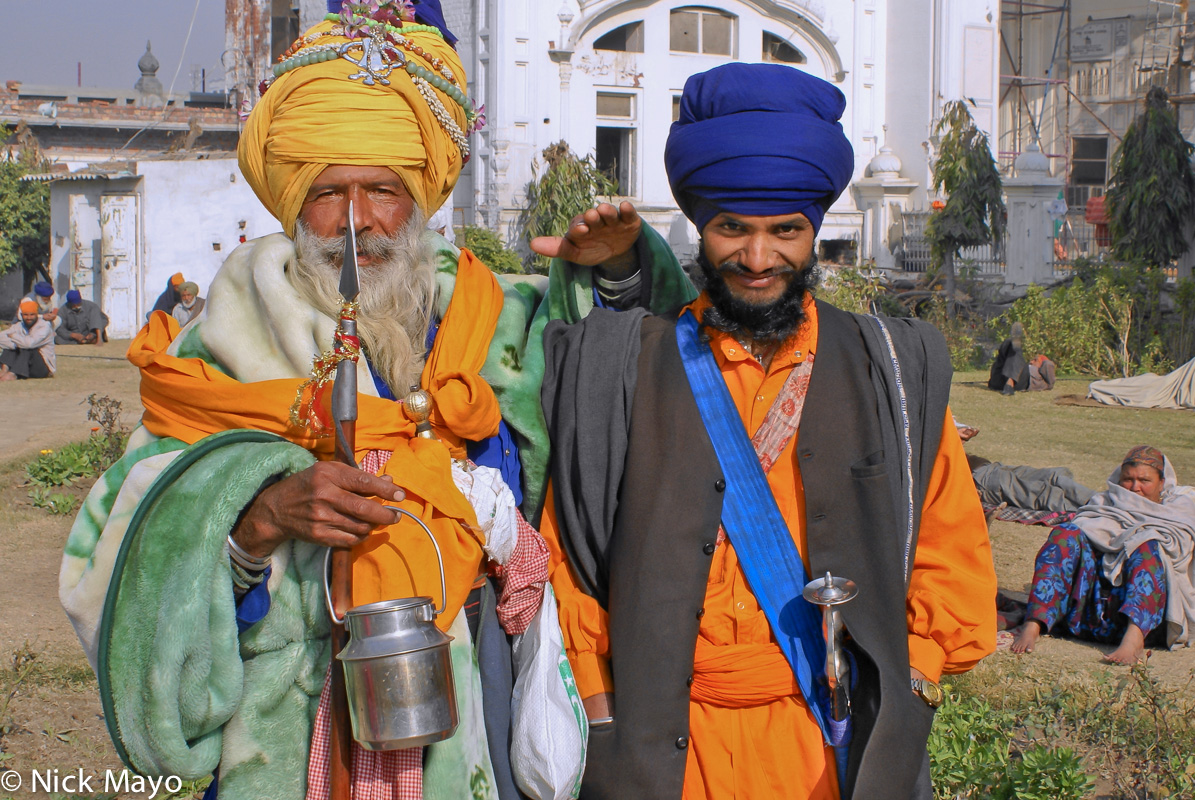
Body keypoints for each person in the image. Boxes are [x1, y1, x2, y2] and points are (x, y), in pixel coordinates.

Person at [58, 4, 653, 798]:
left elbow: (627, 406)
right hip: (289, 723)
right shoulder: (228, 339)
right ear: (292, 198)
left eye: (382, 189)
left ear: (423, 197)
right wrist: (258, 515)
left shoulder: (500, 322)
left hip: (476, 710)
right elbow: (123, 541)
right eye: (328, 192)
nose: (356, 222)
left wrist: (615, 277)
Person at [532, 63, 997, 800]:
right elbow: (570, 552)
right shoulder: (616, 367)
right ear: (697, 226)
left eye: (785, 231)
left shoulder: (893, 367)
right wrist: (598, 701)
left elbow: (947, 540)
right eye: (731, 230)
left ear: (814, 230)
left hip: (832, 746)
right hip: (661, 749)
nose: (757, 259)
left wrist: (913, 678)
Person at [1011, 446, 1195, 665]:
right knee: (1065, 533)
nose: (1135, 487)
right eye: (1128, 479)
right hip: (1084, 611)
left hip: (1148, 621)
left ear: (1162, 483)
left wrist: (1136, 543)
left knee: (1148, 545)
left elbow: (1179, 559)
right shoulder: (1103, 504)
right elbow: (1082, 538)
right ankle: (1034, 624)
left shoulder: (1179, 511)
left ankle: (1134, 639)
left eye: (1144, 481)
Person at [0, 299, 56, 380]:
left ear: (37, 314)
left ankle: (13, 374)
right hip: (25, 363)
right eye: (25, 315)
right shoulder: (19, 325)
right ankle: (4, 369)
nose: (29, 318)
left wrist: (14, 337)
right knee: (13, 346)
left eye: (32, 315)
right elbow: (1, 337)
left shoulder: (44, 327)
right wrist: (16, 344)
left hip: (43, 367)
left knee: (28, 348)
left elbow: (29, 343)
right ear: (21, 315)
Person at [988, 321, 1028, 395]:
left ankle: (1010, 382)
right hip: (1002, 380)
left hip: (1015, 382)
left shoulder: (1040, 366)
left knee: (1013, 348)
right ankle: (1010, 382)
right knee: (1014, 349)